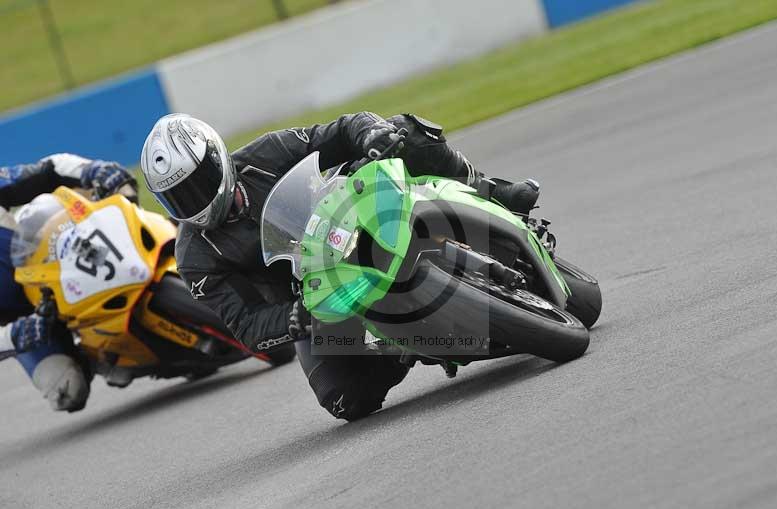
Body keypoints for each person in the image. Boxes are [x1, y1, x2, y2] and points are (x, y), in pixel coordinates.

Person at [141, 112, 539, 421]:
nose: (193, 201)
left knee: (403, 130)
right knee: (347, 401)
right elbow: (245, 325)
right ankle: (399, 347)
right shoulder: (194, 257)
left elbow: (341, 130)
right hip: (317, 300)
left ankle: (491, 191)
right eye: (178, 197)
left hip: (352, 218)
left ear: (217, 158)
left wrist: (370, 134)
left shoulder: (264, 155)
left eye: (197, 183)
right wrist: (292, 318)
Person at [0, 154, 134, 411]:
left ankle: (179, 249)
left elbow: (48, 168)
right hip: (27, 320)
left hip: (51, 267)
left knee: (107, 193)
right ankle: (104, 356)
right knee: (67, 390)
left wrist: (93, 169)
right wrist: (15, 335)